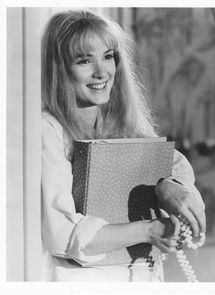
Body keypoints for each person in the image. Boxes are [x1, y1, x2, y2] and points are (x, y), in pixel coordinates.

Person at [41, 9, 206, 282]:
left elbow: (176, 168)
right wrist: (148, 230)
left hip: (144, 275)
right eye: (84, 60)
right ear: (59, 68)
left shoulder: (126, 125)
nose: (101, 72)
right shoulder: (49, 129)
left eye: (108, 57)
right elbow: (61, 235)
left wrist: (169, 185)